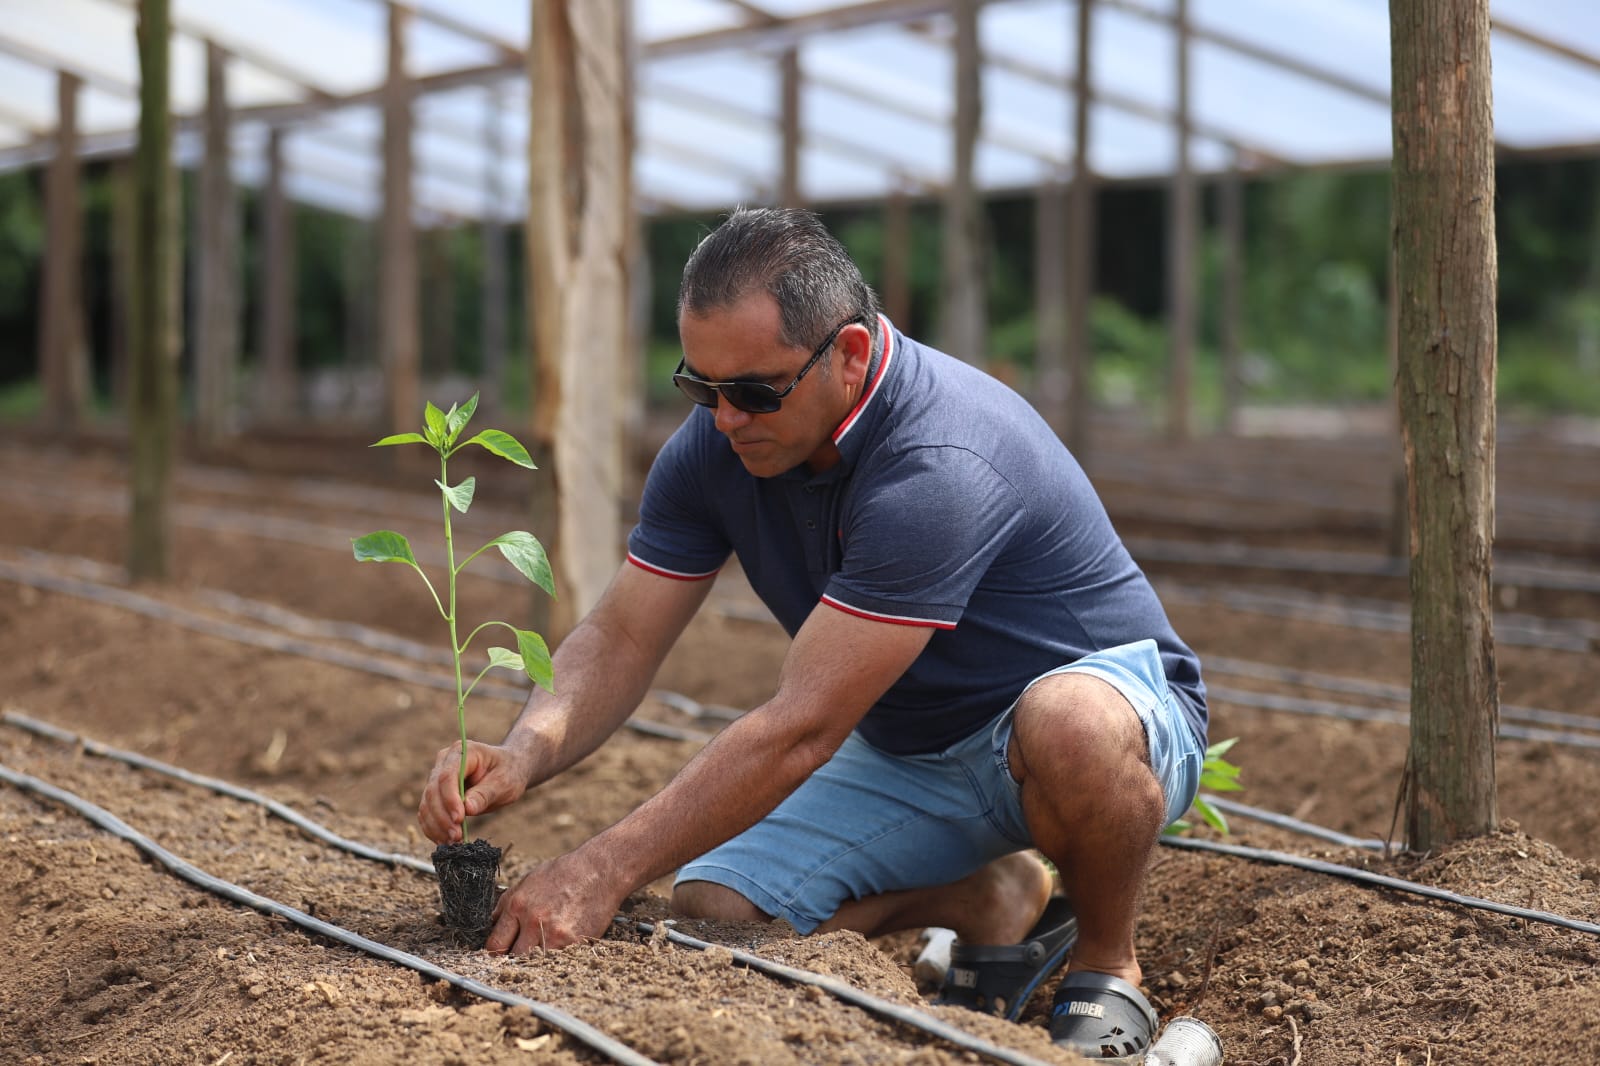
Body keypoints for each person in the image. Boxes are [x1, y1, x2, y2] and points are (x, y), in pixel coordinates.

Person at [418, 206, 1207, 1060]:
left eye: (755, 392)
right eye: (701, 387)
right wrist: (524, 750)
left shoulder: (937, 462)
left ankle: (1107, 966)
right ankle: (991, 900)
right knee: (719, 907)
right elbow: (622, 635)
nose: (726, 418)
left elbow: (803, 728)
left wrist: (600, 869)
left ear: (850, 354)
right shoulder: (715, 448)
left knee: (1067, 723)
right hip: (916, 747)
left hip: (1109, 722)